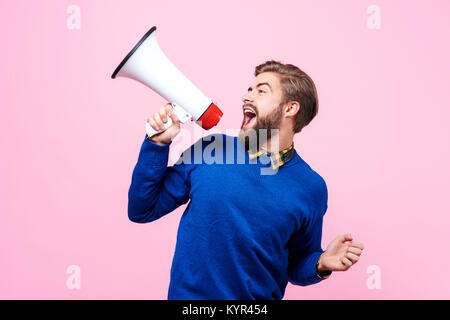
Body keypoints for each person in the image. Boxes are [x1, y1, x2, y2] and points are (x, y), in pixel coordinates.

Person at [128, 60, 364, 300]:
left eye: (261, 91)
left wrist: (320, 263)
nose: (246, 97)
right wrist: (157, 144)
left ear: (290, 108)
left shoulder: (312, 188)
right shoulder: (212, 149)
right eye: (249, 89)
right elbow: (142, 209)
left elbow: (296, 265)